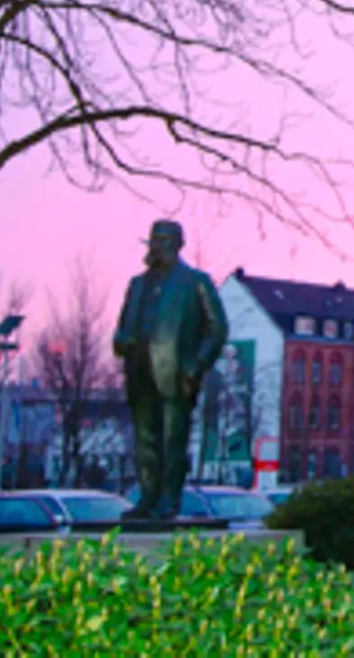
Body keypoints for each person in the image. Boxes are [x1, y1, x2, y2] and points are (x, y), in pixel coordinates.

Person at [113, 219, 228, 520]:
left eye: (163, 240)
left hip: (177, 374)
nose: (157, 246)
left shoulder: (195, 282)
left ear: (178, 244)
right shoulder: (137, 285)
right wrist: (122, 340)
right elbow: (122, 327)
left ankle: (169, 500)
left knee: (172, 440)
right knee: (145, 441)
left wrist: (198, 364)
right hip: (139, 372)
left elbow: (217, 329)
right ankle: (147, 498)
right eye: (153, 240)